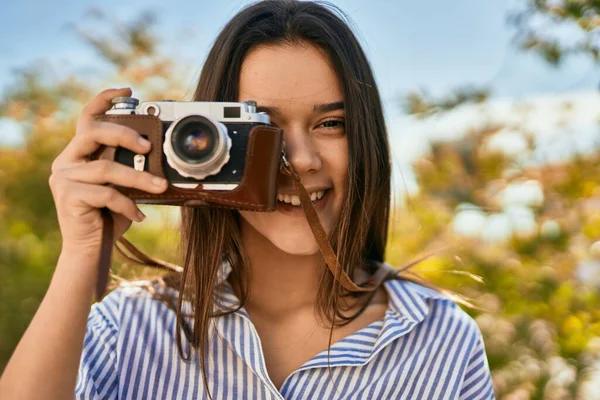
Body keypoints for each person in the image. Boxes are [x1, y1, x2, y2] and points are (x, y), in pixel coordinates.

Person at [0, 1, 495, 399]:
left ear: (366, 140)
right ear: (202, 143)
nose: (300, 160)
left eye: (331, 124)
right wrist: (83, 251)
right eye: (265, 128)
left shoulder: (441, 342)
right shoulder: (126, 329)